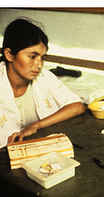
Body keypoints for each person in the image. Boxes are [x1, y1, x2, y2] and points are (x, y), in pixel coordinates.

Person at [0, 18, 85, 148]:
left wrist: (35, 126)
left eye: (42, 58)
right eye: (32, 56)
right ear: (9, 55)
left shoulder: (42, 77)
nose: (39, 65)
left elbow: (77, 106)